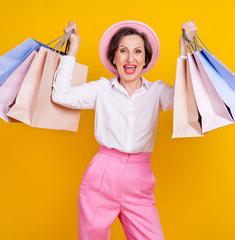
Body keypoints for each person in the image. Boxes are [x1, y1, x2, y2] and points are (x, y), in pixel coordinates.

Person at [51, 20, 198, 240]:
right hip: (101, 176)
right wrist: (73, 46)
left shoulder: (157, 91)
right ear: (114, 58)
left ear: (146, 59)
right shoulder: (101, 89)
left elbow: (186, 98)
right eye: (123, 51)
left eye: (138, 52)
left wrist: (184, 47)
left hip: (140, 180)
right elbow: (60, 96)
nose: (131, 59)